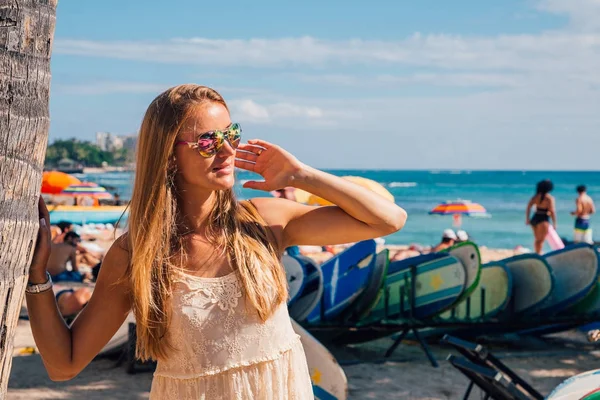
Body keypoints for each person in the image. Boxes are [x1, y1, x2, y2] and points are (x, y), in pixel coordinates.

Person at [26, 84, 407, 399]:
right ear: (169, 156)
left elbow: (389, 220)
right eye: (209, 141)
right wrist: (37, 277)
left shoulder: (264, 221)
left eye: (231, 135)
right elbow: (65, 364)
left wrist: (300, 175)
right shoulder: (138, 253)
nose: (228, 151)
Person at [526, 179, 557, 254]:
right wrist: (554, 223)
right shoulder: (549, 198)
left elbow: (528, 207)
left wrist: (527, 219)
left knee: (537, 240)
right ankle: (539, 254)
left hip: (535, 218)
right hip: (543, 219)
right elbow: (552, 211)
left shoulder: (535, 197)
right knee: (541, 240)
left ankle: (537, 253)